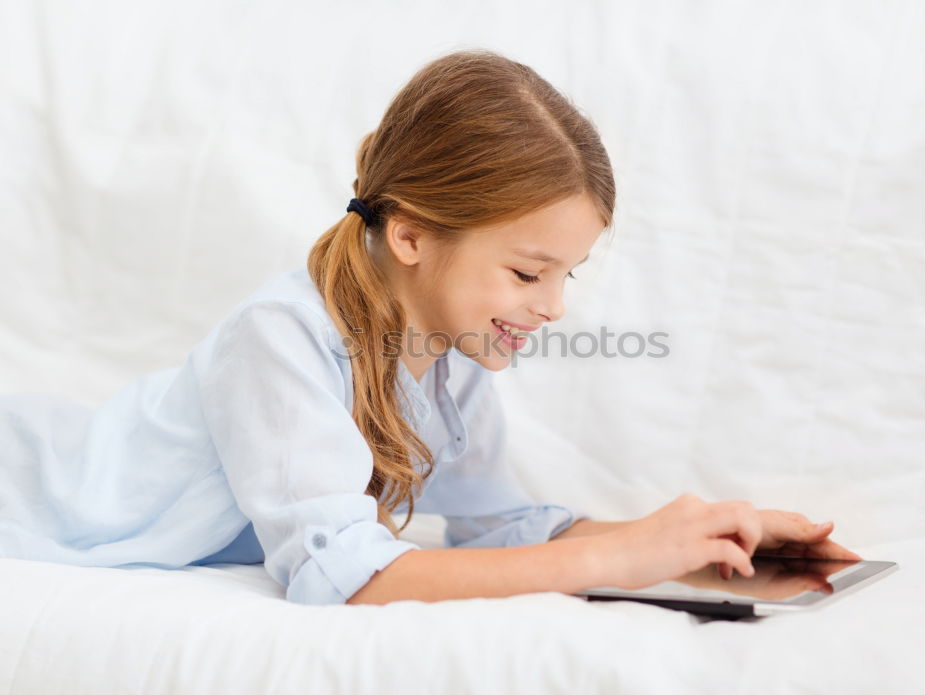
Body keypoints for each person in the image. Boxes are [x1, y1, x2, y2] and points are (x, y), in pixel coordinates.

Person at [0, 49, 860, 606]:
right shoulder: (282, 336)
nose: (555, 306)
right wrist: (611, 562)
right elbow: (343, 577)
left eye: (567, 275)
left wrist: (688, 543)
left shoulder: (452, 357)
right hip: (33, 488)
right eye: (528, 272)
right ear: (410, 233)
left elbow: (499, 523)